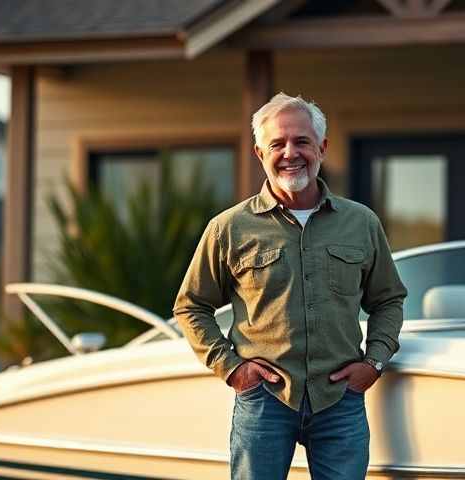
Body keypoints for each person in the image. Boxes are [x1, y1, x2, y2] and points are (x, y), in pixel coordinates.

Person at [173, 92, 407, 480]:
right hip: (263, 402)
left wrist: (374, 363)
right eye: (277, 143)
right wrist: (232, 369)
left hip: (340, 402)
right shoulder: (228, 228)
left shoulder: (361, 223)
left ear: (322, 148)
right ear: (259, 153)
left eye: (301, 141)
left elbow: (389, 300)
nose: (290, 153)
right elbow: (190, 305)